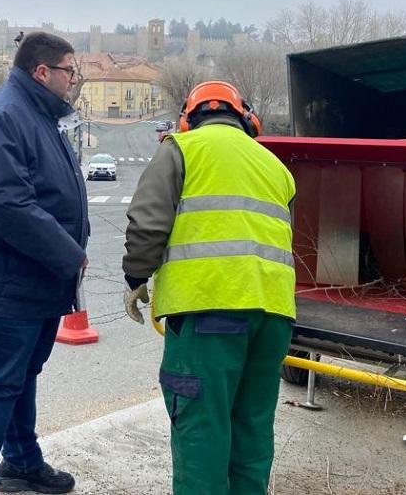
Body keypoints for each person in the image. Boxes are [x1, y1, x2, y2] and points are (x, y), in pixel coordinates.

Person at [122, 81, 296, 495]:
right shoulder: (275, 165)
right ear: (246, 119)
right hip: (274, 316)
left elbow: (147, 223)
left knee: (202, 430)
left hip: (209, 312)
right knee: (252, 430)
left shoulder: (180, 149)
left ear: (188, 118)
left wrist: (136, 277)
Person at [0, 32, 88, 495]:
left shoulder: (37, 115)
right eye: (70, 70)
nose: (75, 79)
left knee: (20, 378)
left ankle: (23, 463)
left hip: (30, 281)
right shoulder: (4, 116)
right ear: (42, 72)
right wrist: (70, 254)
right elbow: (6, 203)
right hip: (0, 283)